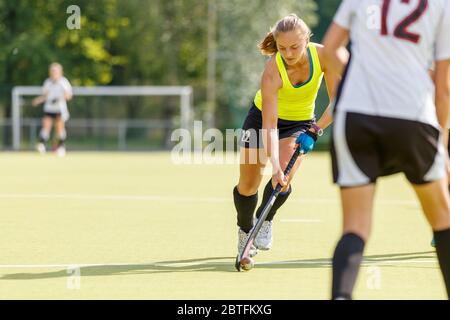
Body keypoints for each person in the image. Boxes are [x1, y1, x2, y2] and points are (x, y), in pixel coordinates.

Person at [323, 0, 450, 299]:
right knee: (443, 220)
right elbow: (443, 88)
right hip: (413, 118)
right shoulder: (442, 5)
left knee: (355, 226)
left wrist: (366, 74)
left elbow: (329, 50)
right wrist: (442, 145)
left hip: (356, 115)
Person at [233, 14, 340, 257]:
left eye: (294, 47)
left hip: (300, 123)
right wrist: (273, 164)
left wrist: (315, 130)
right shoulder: (272, 69)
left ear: (307, 40)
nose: (288, 53)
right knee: (248, 185)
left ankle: (265, 218)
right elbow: (269, 124)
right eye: (282, 48)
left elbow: (338, 101)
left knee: (283, 179)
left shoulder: (323, 56)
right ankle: (244, 231)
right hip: (260, 120)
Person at [32, 63, 73, 157]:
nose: (54, 72)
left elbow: (69, 95)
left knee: (59, 129)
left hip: (59, 109)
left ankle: (61, 147)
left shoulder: (63, 82)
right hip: (49, 108)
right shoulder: (48, 82)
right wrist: (38, 100)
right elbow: (45, 95)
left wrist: (60, 98)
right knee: (46, 126)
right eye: (52, 71)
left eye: (56, 71)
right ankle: (41, 145)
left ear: (60, 72)